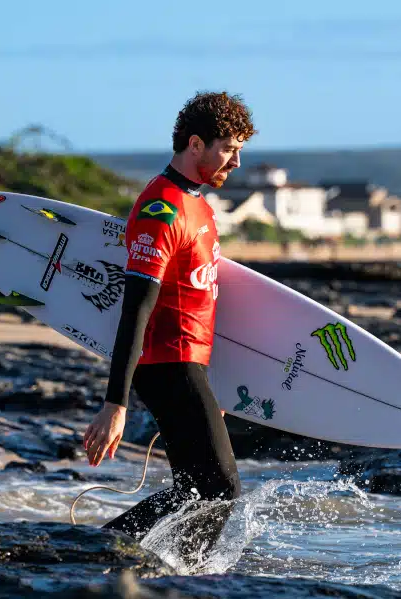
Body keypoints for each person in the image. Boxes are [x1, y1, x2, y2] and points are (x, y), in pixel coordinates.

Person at [82, 91, 256, 541]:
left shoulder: (197, 203)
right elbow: (135, 307)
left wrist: (207, 382)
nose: (236, 162)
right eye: (229, 149)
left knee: (198, 489)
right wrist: (114, 404)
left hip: (187, 365)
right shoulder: (162, 208)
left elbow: (196, 295)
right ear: (195, 145)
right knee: (220, 488)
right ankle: (110, 554)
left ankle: (147, 564)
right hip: (166, 365)